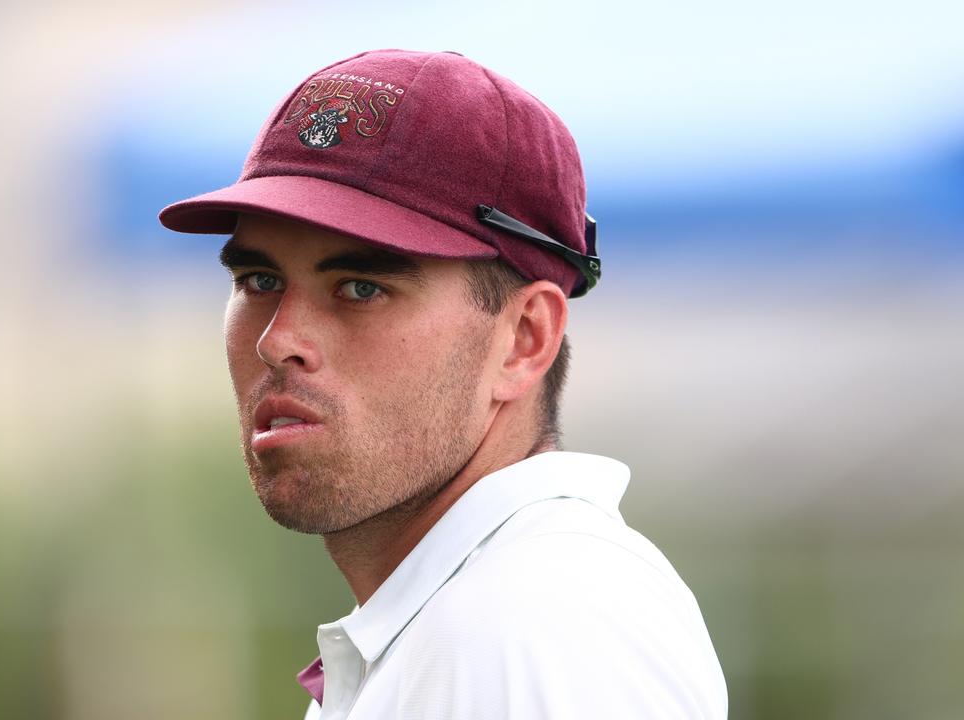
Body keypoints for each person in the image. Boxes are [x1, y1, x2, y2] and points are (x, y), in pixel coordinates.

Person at [158, 49, 727, 719]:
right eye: (259, 281)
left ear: (524, 340)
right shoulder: (461, 619)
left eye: (362, 287)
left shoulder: (536, 625)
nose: (277, 339)